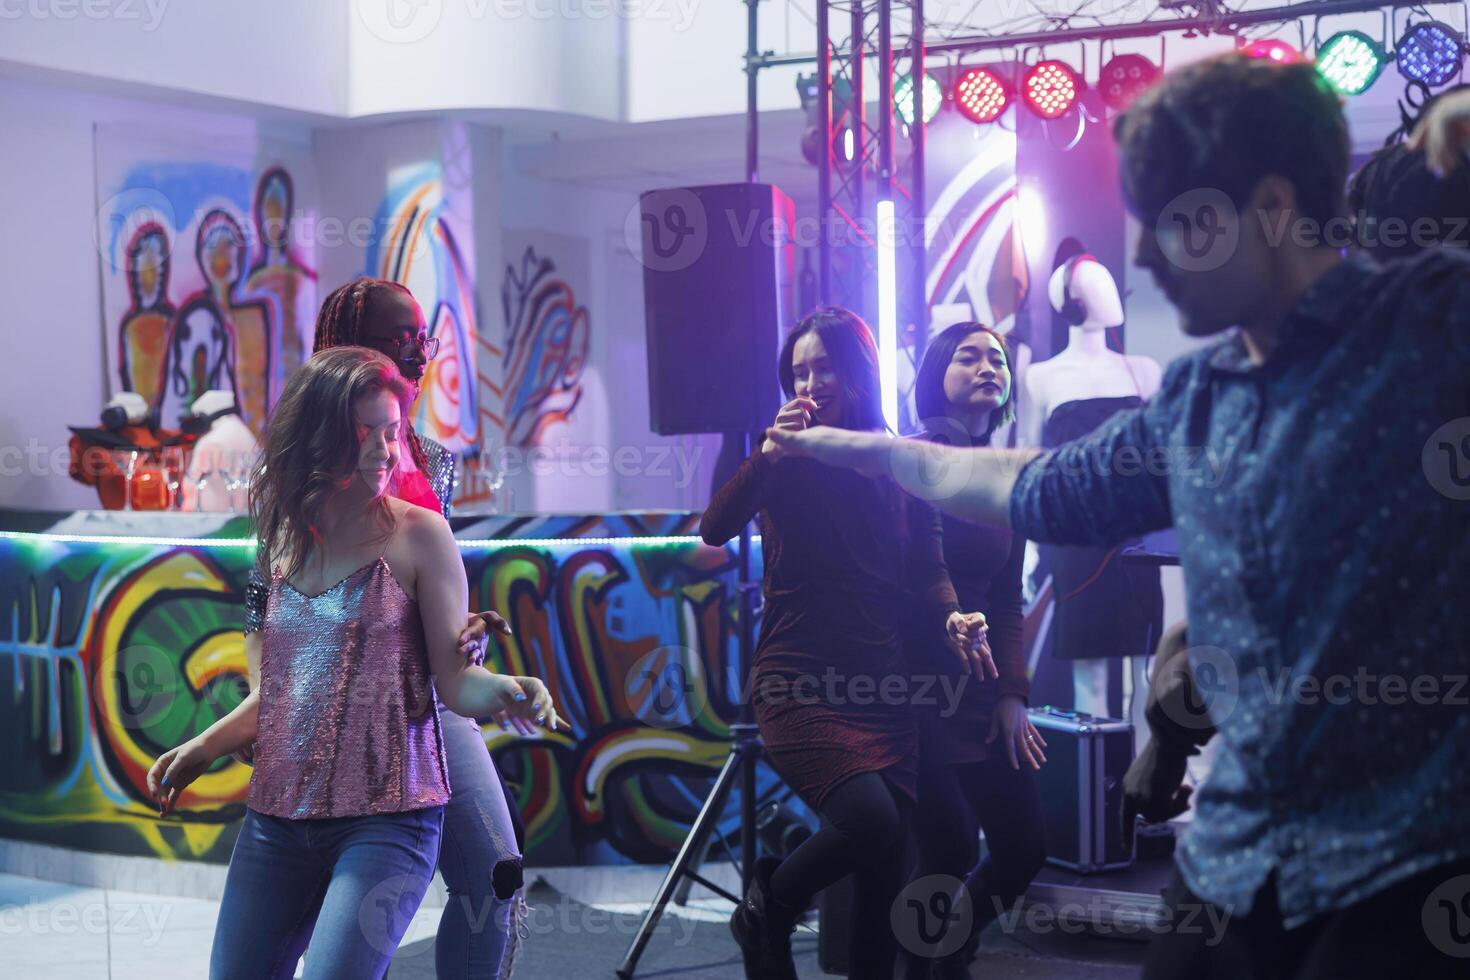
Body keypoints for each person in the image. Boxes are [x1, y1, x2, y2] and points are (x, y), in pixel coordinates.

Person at [764, 53, 1470, 979]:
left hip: (1407, 868)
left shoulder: (1429, 319)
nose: (1139, 257)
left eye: (1176, 222)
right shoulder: (1200, 399)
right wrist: (864, 451)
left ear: (1265, 206)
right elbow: (1034, 485)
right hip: (1239, 862)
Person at [149, 347, 562, 979]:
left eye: (392, 431)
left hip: (388, 819)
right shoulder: (282, 537)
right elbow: (282, 692)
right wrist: (203, 747)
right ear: (318, 438)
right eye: (363, 432)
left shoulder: (421, 534)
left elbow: (456, 683)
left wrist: (510, 688)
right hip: (278, 818)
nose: (384, 448)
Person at [243, 277, 530, 978]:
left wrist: (462, 639)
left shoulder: (431, 458)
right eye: (403, 340)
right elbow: (262, 598)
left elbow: (431, 589)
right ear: (348, 350)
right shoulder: (297, 460)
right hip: (325, 715)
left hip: (428, 701)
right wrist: (262, 704)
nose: (421, 353)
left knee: (494, 879)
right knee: (311, 916)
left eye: (423, 338)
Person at [700, 307, 992, 980]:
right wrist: (767, 454)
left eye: (822, 367)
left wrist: (951, 617)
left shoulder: (901, 462)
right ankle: (765, 908)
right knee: (871, 821)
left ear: (856, 369)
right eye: (797, 371)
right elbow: (715, 527)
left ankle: (781, 918)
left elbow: (929, 568)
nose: (809, 383)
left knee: (882, 876)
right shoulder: (784, 458)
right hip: (796, 681)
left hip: (881, 685)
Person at [900, 322, 1047, 980]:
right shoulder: (910, 458)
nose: (988, 366)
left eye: (996, 358)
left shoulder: (1008, 474)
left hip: (984, 690)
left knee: (1025, 850)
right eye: (969, 356)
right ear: (938, 373)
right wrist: (947, 617)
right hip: (912, 687)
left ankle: (949, 944)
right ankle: (932, 965)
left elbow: (1010, 598)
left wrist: (1014, 695)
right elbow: (913, 571)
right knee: (949, 845)